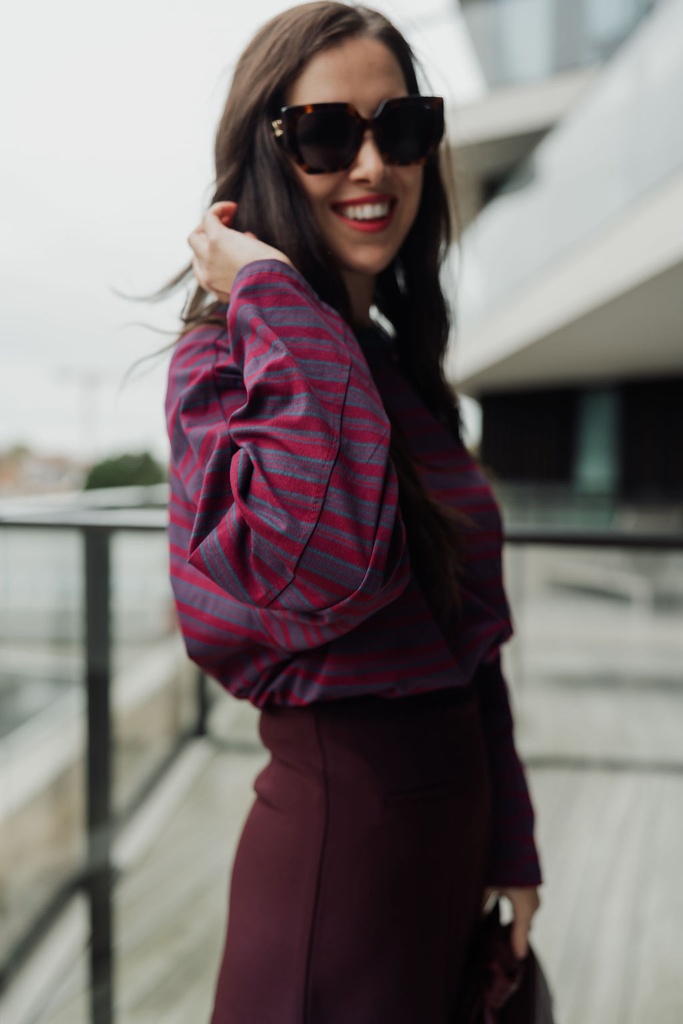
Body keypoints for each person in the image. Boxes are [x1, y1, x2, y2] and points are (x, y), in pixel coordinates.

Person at [164, 3, 542, 1022]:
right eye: (328, 134)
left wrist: (509, 839)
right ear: (266, 162)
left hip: (444, 862)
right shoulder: (223, 364)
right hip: (340, 881)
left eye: (402, 128)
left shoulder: (399, 371)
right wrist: (274, 298)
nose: (372, 165)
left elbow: (472, 645)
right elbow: (319, 562)